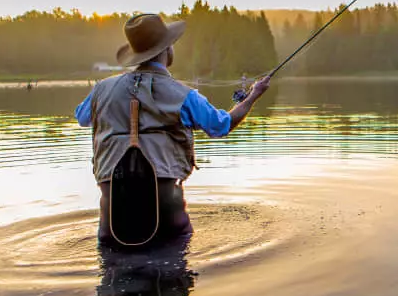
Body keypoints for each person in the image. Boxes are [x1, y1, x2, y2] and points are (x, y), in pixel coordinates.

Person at [75, 13, 271, 247]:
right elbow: (222, 126)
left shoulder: (100, 91)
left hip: (111, 222)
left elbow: (82, 117)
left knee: (112, 269)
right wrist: (253, 96)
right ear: (166, 49)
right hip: (168, 217)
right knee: (175, 272)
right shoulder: (183, 95)